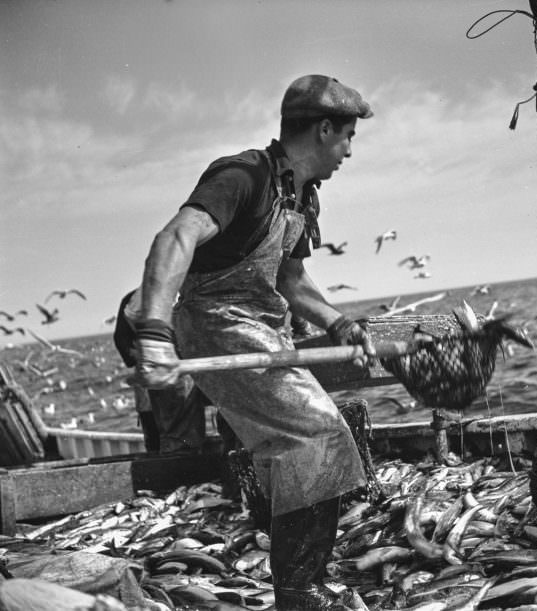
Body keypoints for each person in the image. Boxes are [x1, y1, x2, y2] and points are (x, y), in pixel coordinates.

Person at [133, 74, 375, 610]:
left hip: (264, 325)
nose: (350, 152)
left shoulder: (302, 195)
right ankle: (299, 594)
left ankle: (290, 564)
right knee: (319, 433)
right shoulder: (244, 175)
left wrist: (338, 324)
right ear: (324, 129)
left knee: (294, 440)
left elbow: (290, 281)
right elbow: (175, 237)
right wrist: (154, 332)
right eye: (348, 138)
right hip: (216, 324)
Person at [113, 288, 209, 453]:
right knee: (179, 439)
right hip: (172, 379)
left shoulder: (132, 300)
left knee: (162, 440)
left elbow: (122, 341)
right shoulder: (188, 294)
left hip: (157, 380)